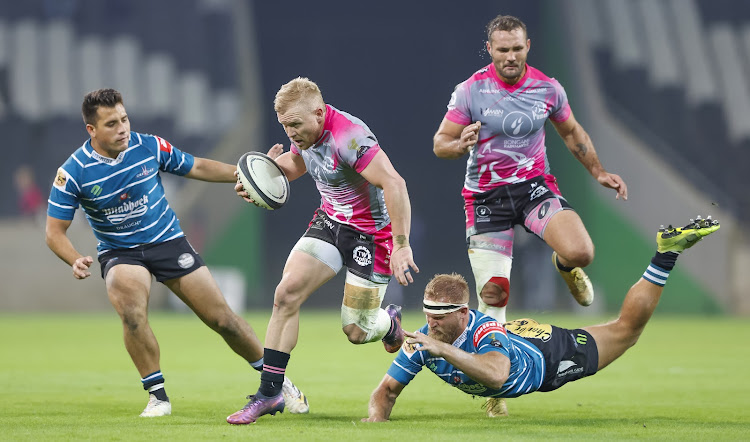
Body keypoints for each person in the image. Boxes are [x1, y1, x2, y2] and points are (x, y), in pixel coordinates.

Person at [45, 88, 309, 418]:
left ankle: (277, 383)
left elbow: (196, 166)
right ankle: (158, 397)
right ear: (92, 130)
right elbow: (54, 231)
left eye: (124, 119)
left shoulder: (149, 146)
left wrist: (247, 175)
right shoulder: (73, 172)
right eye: (112, 123)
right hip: (120, 251)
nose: (123, 128)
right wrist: (74, 258)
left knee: (224, 321)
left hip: (168, 241)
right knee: (131, 310)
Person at [433, 15, 628, 415]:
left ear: (528, 46)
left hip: (533, 187)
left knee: (581, 252)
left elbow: (572, 133)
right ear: (490, 50)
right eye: (502, 49)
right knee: (493, 297)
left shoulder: (547, 88)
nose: (510, 56)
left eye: (517, 48)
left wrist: (598, 171)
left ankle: (565, 265)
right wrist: (460, 144)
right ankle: (496, 393)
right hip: (486, 199)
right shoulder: (470, 91)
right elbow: (440, 143)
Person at [362, 216, 720, 422]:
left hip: (546, 353)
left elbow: (497, 373)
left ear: (463, 314)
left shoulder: (484, 329)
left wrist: (442, 352)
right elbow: (385, 393)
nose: (431, 323)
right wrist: (375, 423)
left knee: (626, 332)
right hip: (517, 336)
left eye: (440, 316)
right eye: (427, 314)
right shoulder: (423, 340)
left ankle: (665, 253)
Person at [227, 77, 419, 425]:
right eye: (285, 126)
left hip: (371, 235)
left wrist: (402, 246)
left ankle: (389, 324)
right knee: (286, 294)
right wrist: (266, 174)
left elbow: (394, 183)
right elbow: (299, 164)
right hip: (330, 222)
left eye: (296, 125)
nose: (291, 133)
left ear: (319, 113)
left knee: (356, 331)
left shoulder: (351, 137)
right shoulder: (303, 133)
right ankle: (270, 393)